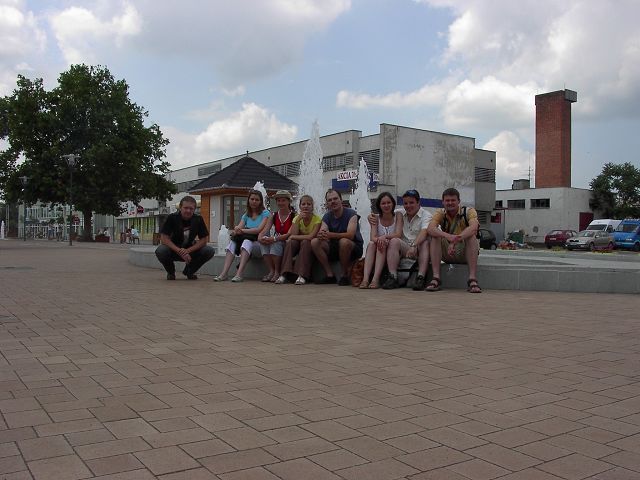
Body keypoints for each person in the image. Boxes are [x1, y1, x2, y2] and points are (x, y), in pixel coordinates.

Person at [427, 187, 481, 293]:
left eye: (453, 200)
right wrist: (447, 236)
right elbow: (430, 228)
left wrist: (455, 240)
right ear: (443, 202)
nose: (450, 203)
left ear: (459, 201)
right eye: (447, 200)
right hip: (447, 252)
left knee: (471, 236)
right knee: (435, 236)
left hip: (465, 252)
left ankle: (472, 279)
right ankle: (436, 278)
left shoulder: (469, 211)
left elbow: (474, 227)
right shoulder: (440, 213)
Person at [378, 189, 432, 290]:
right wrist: (371, 216)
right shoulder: (399, 213)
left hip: (419, 249)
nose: (408, 206)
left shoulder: (426, 215)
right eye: (405, 203)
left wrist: (414, 245)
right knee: (394, 241)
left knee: (424, 242)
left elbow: (424, 232)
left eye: (411, 202)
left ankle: (420, 278)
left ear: (418, 202)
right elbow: (385, 212)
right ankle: (392, 277)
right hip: (405, 249)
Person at [214, 189, 270, 282]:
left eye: (257, 200)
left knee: (246, 242)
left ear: (261, 201)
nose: (254, 201)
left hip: (261, 244)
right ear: (248, 200)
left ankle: (239, 274)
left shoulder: (265, 213)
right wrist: (236, 230)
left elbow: (259, 229)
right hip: (249, 243)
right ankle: (224, 273)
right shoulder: (246, 215)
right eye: (252, 199)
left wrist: (242, 230)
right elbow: (239, 227)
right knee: (232, 243)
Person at [311, 189, 363, 285]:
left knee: (344, 241)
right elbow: (323, 230)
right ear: (327, 203)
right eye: (329, 200)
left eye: (335, 199)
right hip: (335, 247)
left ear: (341, 200)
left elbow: (350, 235)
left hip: (353, 247)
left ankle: (344, 275)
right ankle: (330, 275)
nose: (333, 202)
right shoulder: (327, 216)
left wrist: (331, 235)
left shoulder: (352, 214)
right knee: (315, 242)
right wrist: (321, 234)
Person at [155, 195, 215, 280]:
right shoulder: (172, 218)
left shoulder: (198, 219)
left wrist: (188, 251)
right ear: (180, 208)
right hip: (174, 250)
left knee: (209, 250)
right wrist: (180, 251)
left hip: (190, 251)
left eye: (191, 209)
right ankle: (171, 273)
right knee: (161, 251)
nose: (188, 211)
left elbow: (204, 240)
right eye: (186, 208)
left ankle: (190, 271)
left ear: (194, 209)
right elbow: (164, 238)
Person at [359, 192, 403, 289]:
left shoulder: (398, 215)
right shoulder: (375, 217)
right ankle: (365, 279)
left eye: (388, 202)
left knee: (381, 243)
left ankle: (375, 279)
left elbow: (398, 234)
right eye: (383, 203)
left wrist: (384, 237)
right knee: (372, 244)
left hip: (395, 248)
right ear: (379, 205)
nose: (386, 205)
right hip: (381, 247)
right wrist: (381, 239)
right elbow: (373, 237)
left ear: (393, 204)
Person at [276, 195, 322, 285]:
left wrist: (293, 237)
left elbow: (311, 237)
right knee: (290, 243)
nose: (306, 206)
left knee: (305, 242)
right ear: (300, 206)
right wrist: (298, 220)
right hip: (298, 243)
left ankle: (302, 275)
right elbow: (294, 234)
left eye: (309, 204)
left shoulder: (317, 219)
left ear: (312, 206)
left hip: (309, 246)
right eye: (303, 204)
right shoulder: (296, 218)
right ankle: (284, 273)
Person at [258, 190, 295, 282]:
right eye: (278, 201)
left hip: (289, 242)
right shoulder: (274, 215)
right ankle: (272, 270)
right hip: (277, 239)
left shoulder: (294, 215)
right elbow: (266, 229)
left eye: (283, 200)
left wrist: (274, 238)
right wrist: (260, 237)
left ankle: (277, 272)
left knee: (275, 244)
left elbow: (289, 234)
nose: (280, 203)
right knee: (263, 244)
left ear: (289, 201)